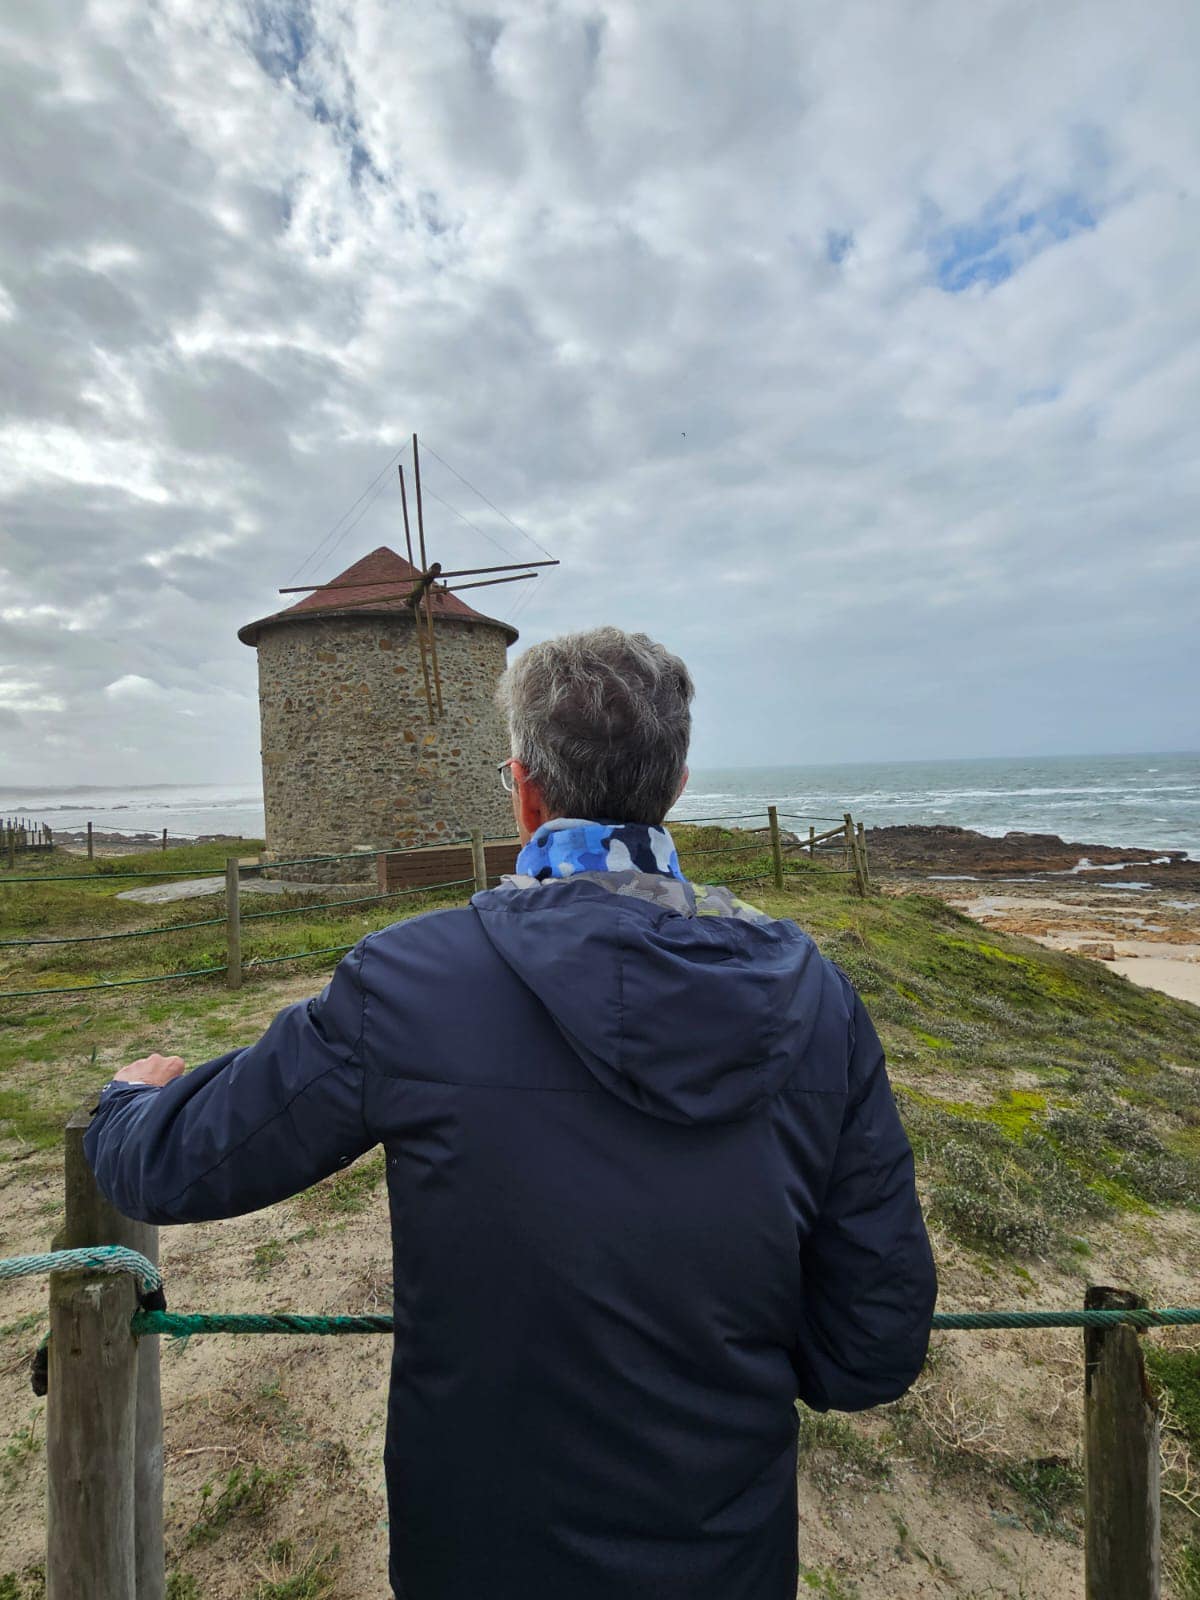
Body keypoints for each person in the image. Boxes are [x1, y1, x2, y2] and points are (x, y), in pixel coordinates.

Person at [86, 625, 936, 1600]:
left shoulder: (407, 982)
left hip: (481, 1557)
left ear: (526, 788)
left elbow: (185, 1162)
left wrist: (126, 1105)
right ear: (677, 781)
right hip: (723, 1561)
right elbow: (870, 1347)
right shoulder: (816, 999)